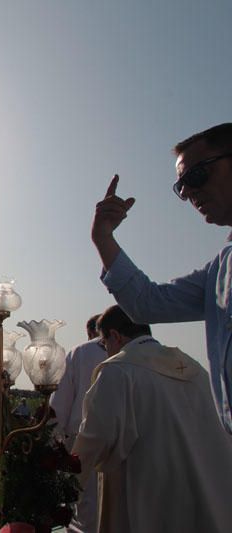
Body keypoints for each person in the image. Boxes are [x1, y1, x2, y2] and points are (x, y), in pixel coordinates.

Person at [91, 123, 232, 432]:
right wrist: (103, 237)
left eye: (196, 176)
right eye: (180, 186)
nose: (189, 192)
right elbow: (147, 304)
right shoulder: (220, 269)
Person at [72, 305, 232, 533]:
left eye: (103, 344)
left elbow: (94, 440)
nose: (105, 350)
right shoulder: (195, 369)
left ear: (115, 336)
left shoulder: (119, 371)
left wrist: (64, 488)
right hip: (208, 500)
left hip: (152, 502)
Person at [49, 314, 106, 533]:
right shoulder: (131, 350)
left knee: (85, 512)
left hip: (83, 445)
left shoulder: (80, 352)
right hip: (126, 446)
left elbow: (58, 408)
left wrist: (53, 448)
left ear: (92, 331)